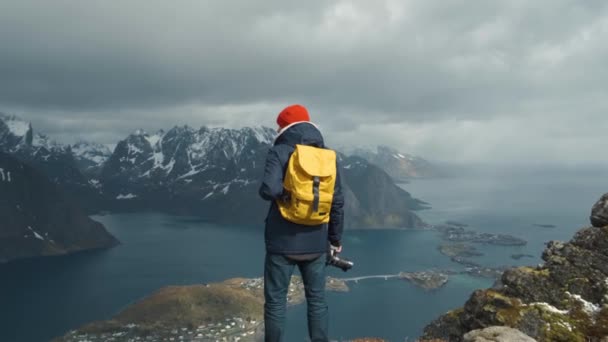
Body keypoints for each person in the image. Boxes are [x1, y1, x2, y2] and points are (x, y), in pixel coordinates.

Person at [259, 104, 344, 342]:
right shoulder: (327, 156)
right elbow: (337, 202)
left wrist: (286, 195)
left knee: (276, 303)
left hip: (281, 242)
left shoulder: (280, 151)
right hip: (316, 241)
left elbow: (269, 189)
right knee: (317, 301)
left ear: (284, 127)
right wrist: (335, 240)